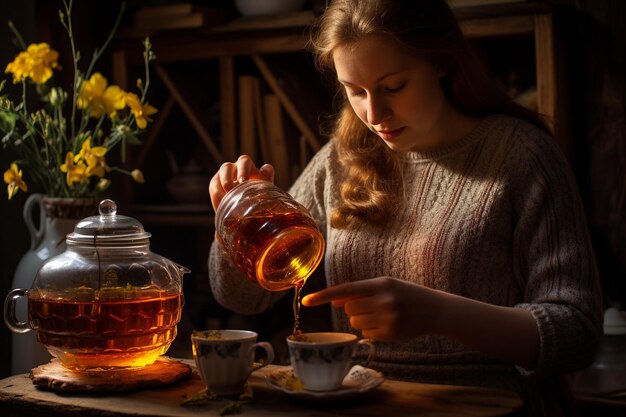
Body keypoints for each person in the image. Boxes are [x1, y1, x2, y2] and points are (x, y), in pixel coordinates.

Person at [207, 0, 603, 415]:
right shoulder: (341, 159)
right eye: (355, 91)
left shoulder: (521, 156)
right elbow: (242, 301)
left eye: (394, 86)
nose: (375, 115)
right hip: (362, 404)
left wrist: (440, 314)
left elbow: (577, 333)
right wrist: (236, 228)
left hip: (488, 406)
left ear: (441, 61)